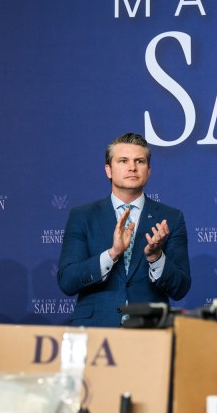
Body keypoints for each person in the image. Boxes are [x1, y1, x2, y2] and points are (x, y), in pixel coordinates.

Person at [57, 132, 191, 325]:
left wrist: (156, 257)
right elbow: (67, 281)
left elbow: (181, 288)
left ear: (149, 171)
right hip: (97, 329)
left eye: (139, 161)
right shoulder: (83, 216)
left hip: (150, 329)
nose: (132, 167)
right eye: (123, 161)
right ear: (108, 170)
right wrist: (112, 254)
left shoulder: (170, 218)